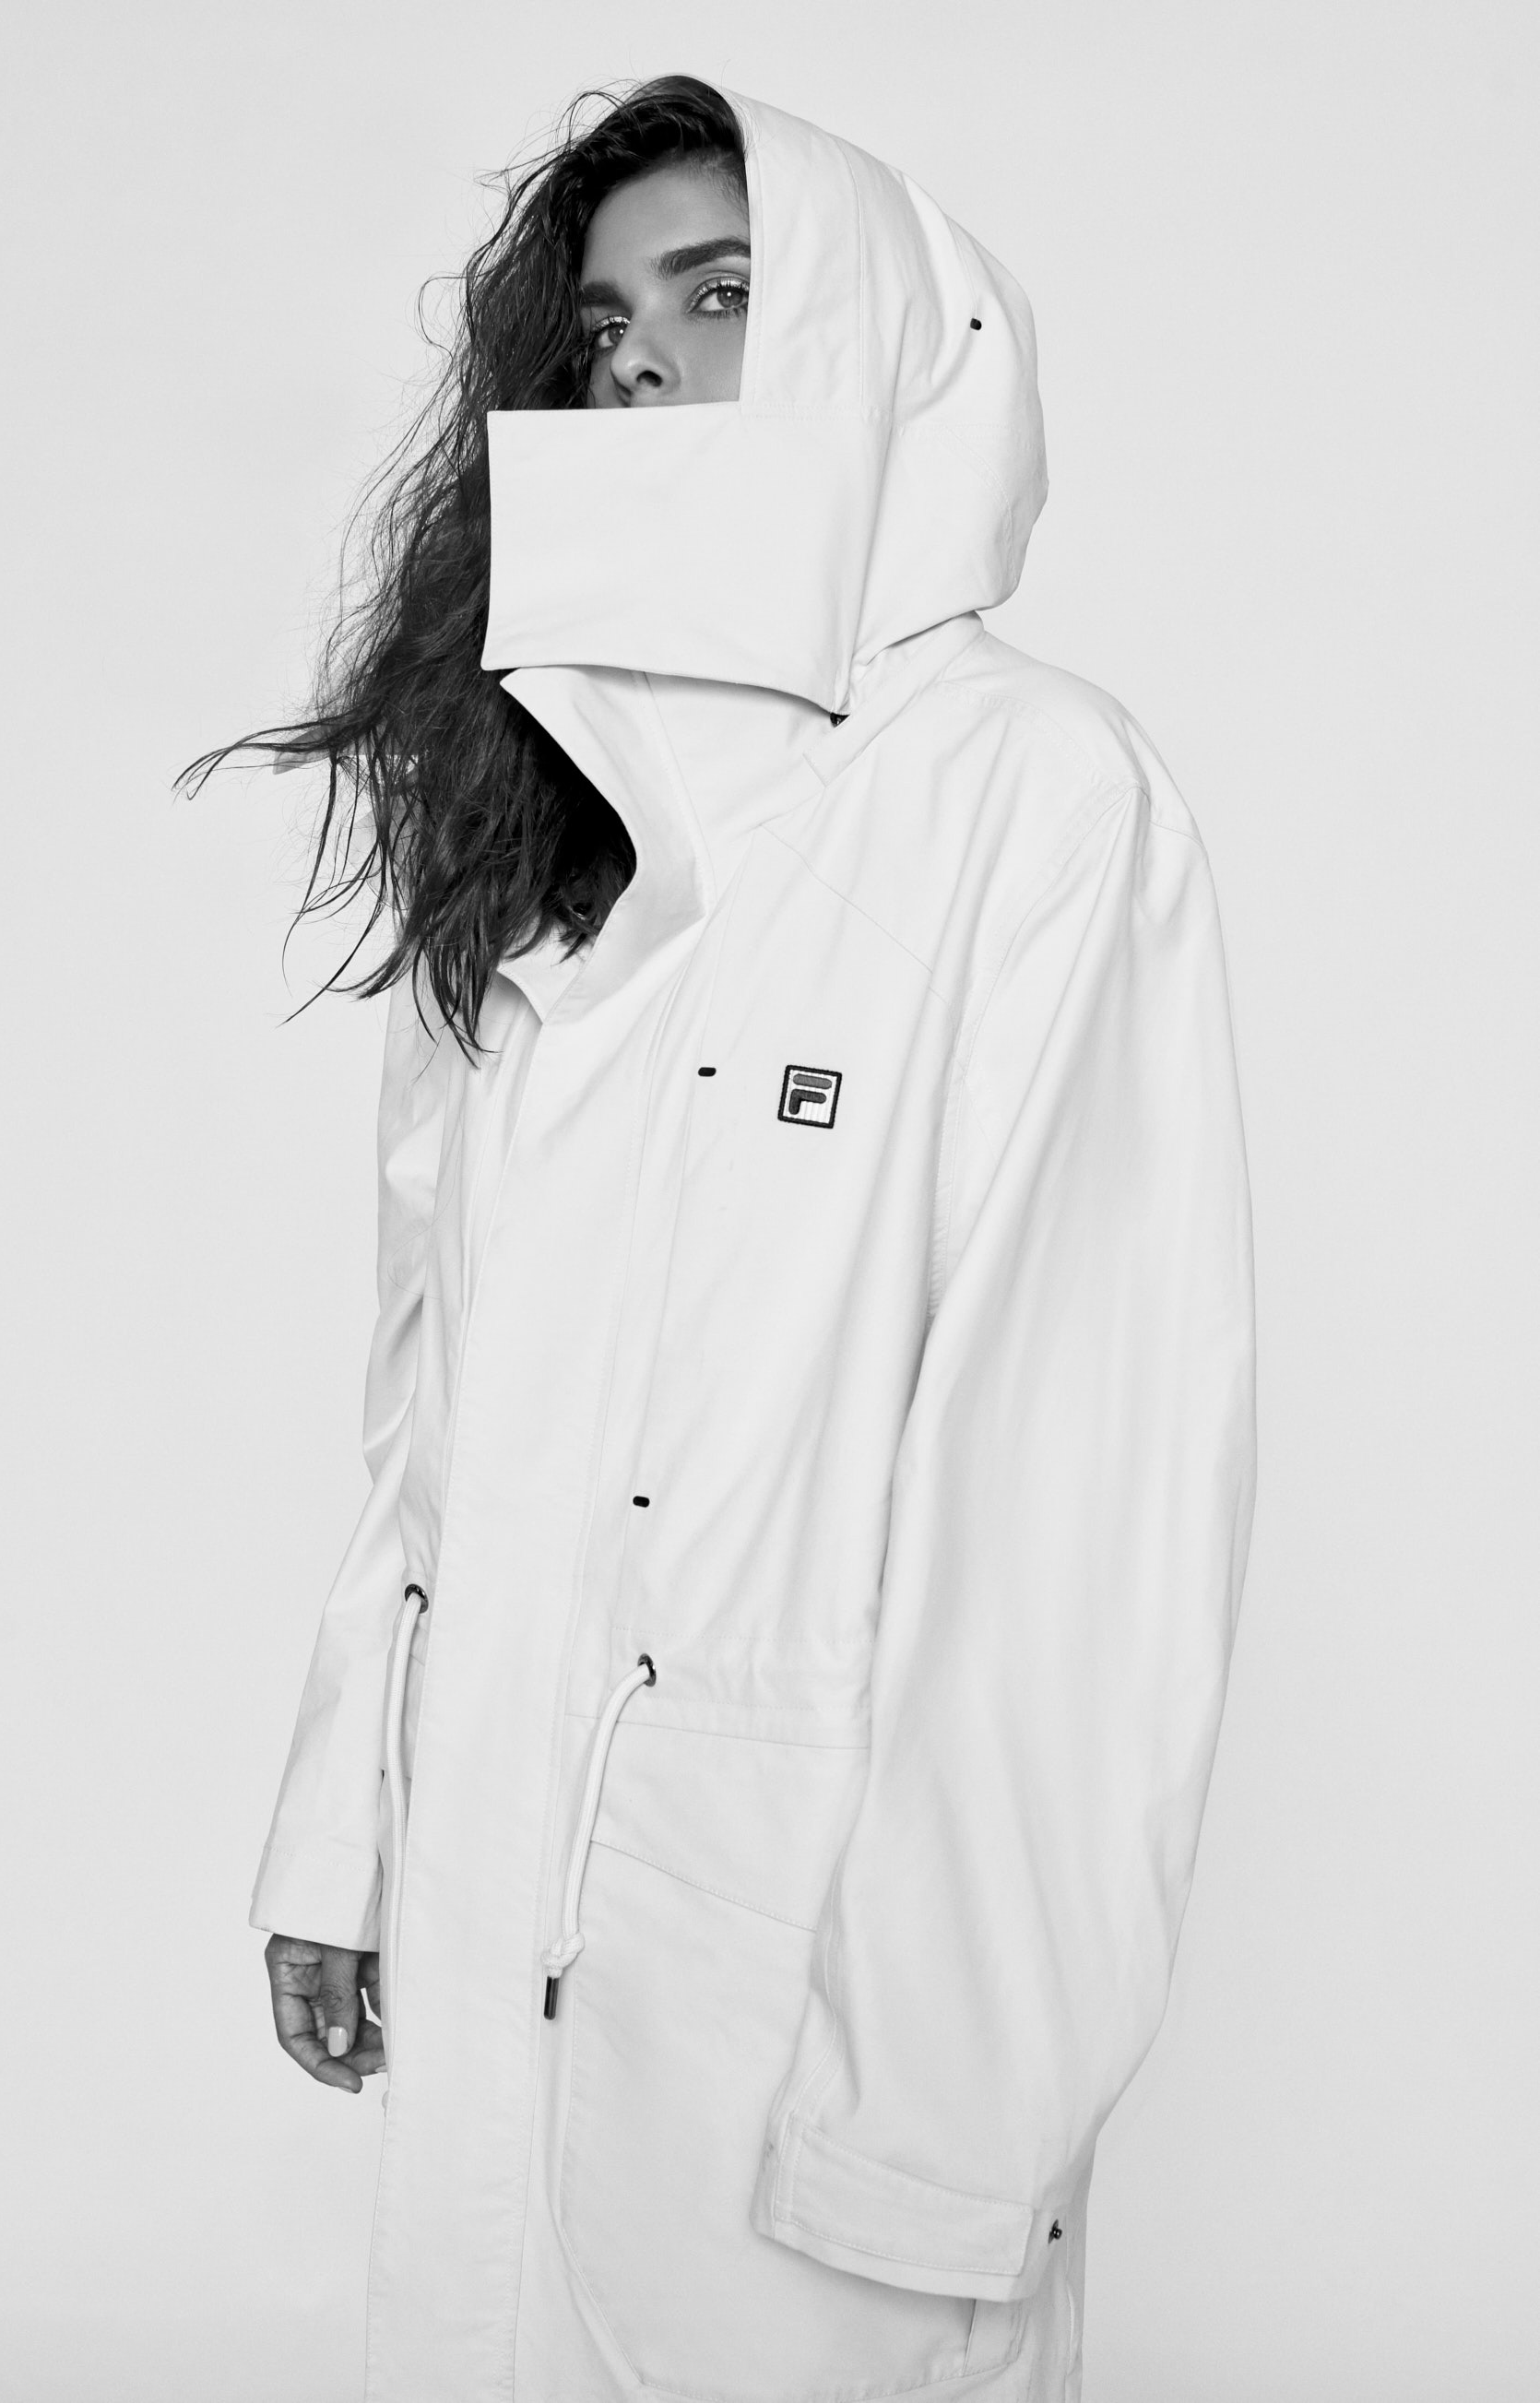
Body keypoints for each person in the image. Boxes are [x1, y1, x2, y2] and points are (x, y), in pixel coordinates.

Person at [233, 74, 1255, 2403]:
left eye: (719, 296)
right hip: (492, 1930)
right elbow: (429, 1390)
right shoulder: (551, 830)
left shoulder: (1024, 797)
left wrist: (938, 2126)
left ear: (879, 335)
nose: (648, 370)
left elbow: (1075, 1509)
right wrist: (348, 1833)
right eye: (605, 330)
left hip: (800, 1998)